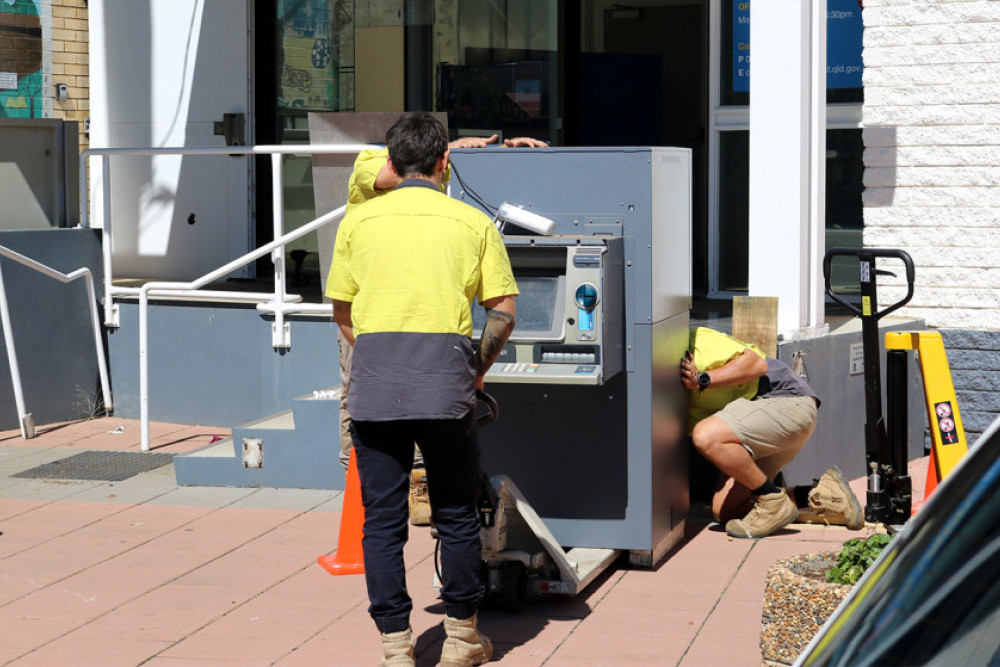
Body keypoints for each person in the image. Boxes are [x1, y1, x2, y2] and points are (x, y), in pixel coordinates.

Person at [327, 112, 518, 666]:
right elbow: (503, 314)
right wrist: (475, 370)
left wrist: (380, 357)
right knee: (456, 512)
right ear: (444, 163)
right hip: (446, 386)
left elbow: (342, 311)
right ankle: (461, 638)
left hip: (375, 389)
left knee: (382, 521)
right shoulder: (472, 223)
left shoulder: (358, 224)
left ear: (390, 164)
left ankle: (395, 648)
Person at [335, 131, 546, 527]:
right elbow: (390, 175)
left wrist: (497, 153)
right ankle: (365, 480)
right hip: (378, 315)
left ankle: (416, 482)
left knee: (420, 423)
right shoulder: (371, 160)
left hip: (428, 310)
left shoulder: (438, 171)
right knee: (368, 414)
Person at [680, 327, 862, 538]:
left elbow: (757, 364)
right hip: (764, 424)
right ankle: (823, 494)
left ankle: (772, 501)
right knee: (725, 511)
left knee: (706, 435)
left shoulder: (697, 341)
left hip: (788, 403)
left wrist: (702, 379)